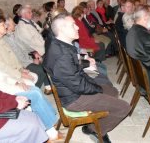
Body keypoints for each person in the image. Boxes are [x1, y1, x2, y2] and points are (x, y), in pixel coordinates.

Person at [43, 13, 131, 143]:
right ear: (62, 30)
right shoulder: (61, 55)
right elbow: (78, 85)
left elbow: (71, 66)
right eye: (73, 25)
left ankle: (96, 121)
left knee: (112, 91)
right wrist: (98, 89)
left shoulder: (59, 43)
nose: (77, 27)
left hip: (73, 89)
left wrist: (85, 64)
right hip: (74, 98)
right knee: (124, 107)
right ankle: (95, 130)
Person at [0, 22, 60, 140]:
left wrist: (16, 82)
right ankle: (48, 126)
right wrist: (15, 86)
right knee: (34, 93)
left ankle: (50, 119)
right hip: (1, 91)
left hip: (5, 84)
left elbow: (1, 73)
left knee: (34, 89)